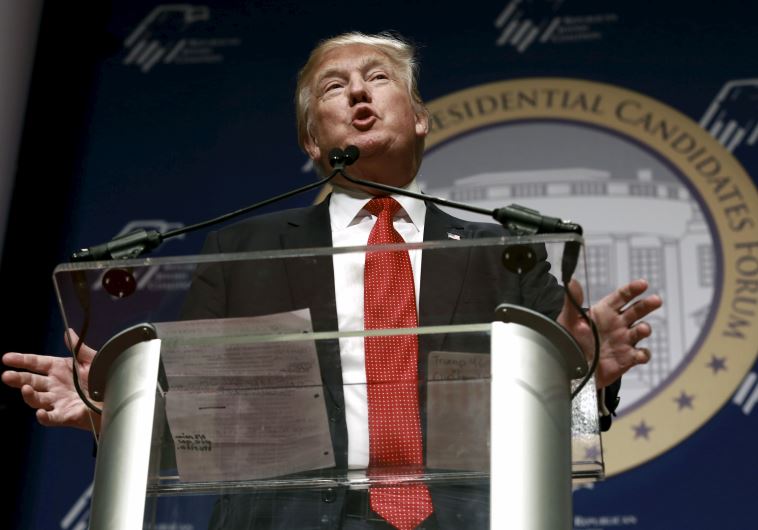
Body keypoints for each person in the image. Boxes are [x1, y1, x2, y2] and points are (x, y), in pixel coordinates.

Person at [3, 32, 662, 529]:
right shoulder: (242, 250)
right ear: (312, 141)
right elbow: (204, 424)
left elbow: (559, 413)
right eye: (333, 87)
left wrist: (586, 369)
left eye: (378, 77)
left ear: (421, 117)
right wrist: (115, 410)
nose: (358, 93)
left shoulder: (503, 251)